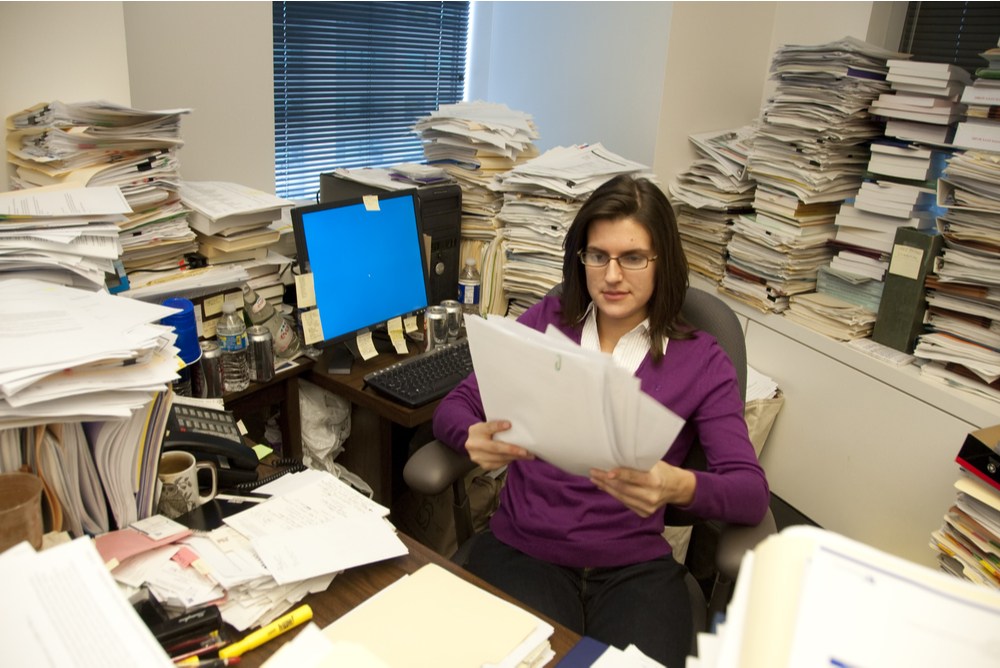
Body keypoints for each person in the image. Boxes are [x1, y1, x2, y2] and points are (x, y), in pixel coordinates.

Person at [432, 174, 769, 666]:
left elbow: (750, 492)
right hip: (525, 550)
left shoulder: (701, 359)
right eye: (597, 255)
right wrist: (471, 438)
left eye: (632, 257)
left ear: (662, 263)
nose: (612, 275)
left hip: (633, 569)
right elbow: (456, 406)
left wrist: (678, 486)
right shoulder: (548, 321)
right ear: (580, 258)